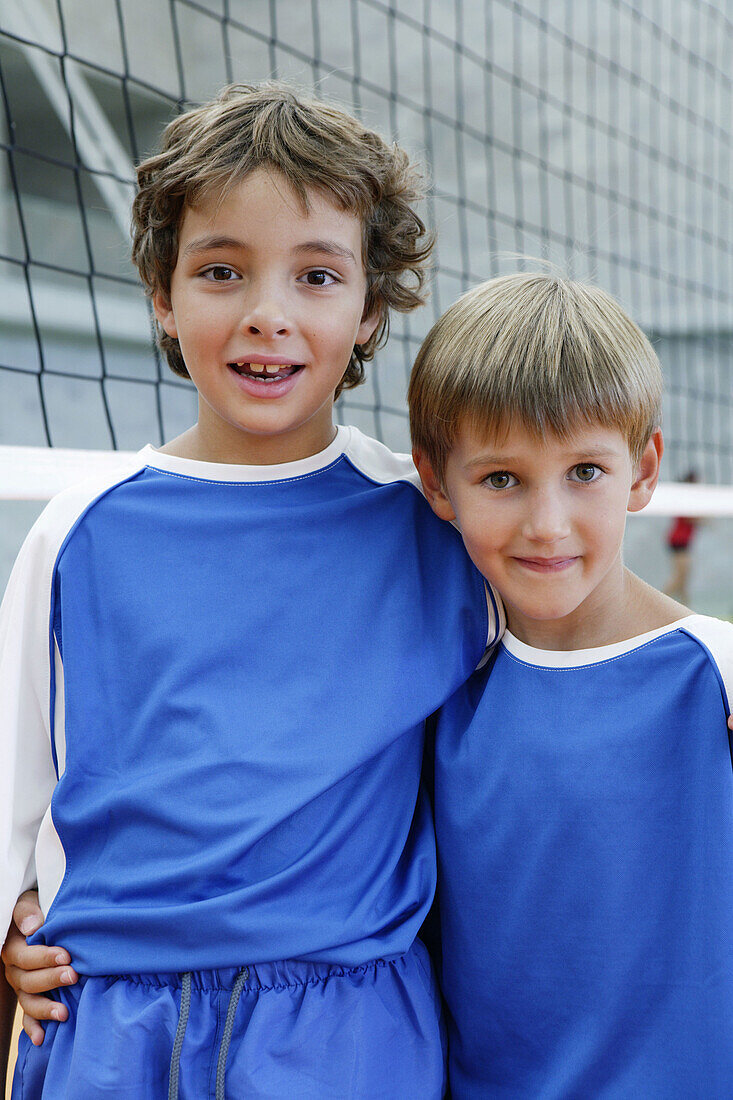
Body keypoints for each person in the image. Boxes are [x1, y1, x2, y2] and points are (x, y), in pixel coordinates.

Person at [0, 82, 501, 1098]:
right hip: (113, 1023)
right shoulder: (79, 531)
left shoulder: (435, 529)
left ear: (367, 313)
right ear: (161, 295)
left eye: (317, 275)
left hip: (345, 1031)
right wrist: (17, 916)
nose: (267, 314)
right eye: (221, 269)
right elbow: (23, 784)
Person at [408, 272, 733, 1097]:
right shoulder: (433, 693)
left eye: (584, 471)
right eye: (501, 479)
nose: (545, 523)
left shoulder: (715, 678)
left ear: (642, 468)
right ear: (436, 482)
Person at [663, 471, 701, 603]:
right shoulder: (686, 496)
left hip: (682, 541)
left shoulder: (690, 496)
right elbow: (690, 518)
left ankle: (687, 609)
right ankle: (662, 601)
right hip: (679, 541)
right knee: (680, 576)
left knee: (684, 578)